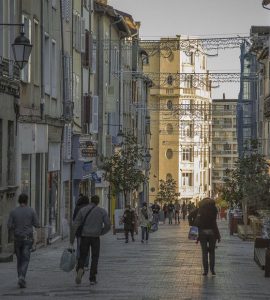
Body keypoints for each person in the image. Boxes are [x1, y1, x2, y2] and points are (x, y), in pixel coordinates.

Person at [70, 195, 111, 285]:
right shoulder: (102, 211)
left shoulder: (83, 210)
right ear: (98, 202)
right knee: (95, 257)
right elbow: (108, 225)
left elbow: (74, 225)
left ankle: (80, 269)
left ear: (91, 201)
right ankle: (92, 278)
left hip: (85, 236)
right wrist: (101, 232)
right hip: (95, 237)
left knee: (83, 255)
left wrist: (71, 240)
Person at [7, 193, 39, 288]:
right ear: (26, 201)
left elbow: (9, 225)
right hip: (27, 239)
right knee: (25, 259)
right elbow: (37, 224)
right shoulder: (31, 211)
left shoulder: (13, 211)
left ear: (19, 201)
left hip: (17, 238)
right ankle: (22, 277)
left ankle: (20, 277)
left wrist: (15, 227)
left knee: (19, 259)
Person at [197, 198, 221, 276]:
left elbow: (191, 216)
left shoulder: (200, 209)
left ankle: (205, 271)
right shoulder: (214, 209)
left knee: (204, 253)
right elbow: (214, 223)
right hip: (212, 232)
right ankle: (212, 270)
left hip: (202, 232)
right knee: (212, 252)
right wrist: (218, 235)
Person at [73, 195, 90, 269]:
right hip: (88, 231)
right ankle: (86, 264)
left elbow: (74, 219)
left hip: (79, 231)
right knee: (87, 248)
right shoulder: (90, 208)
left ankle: (79, 264)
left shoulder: (77, 208)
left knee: (79, 247)